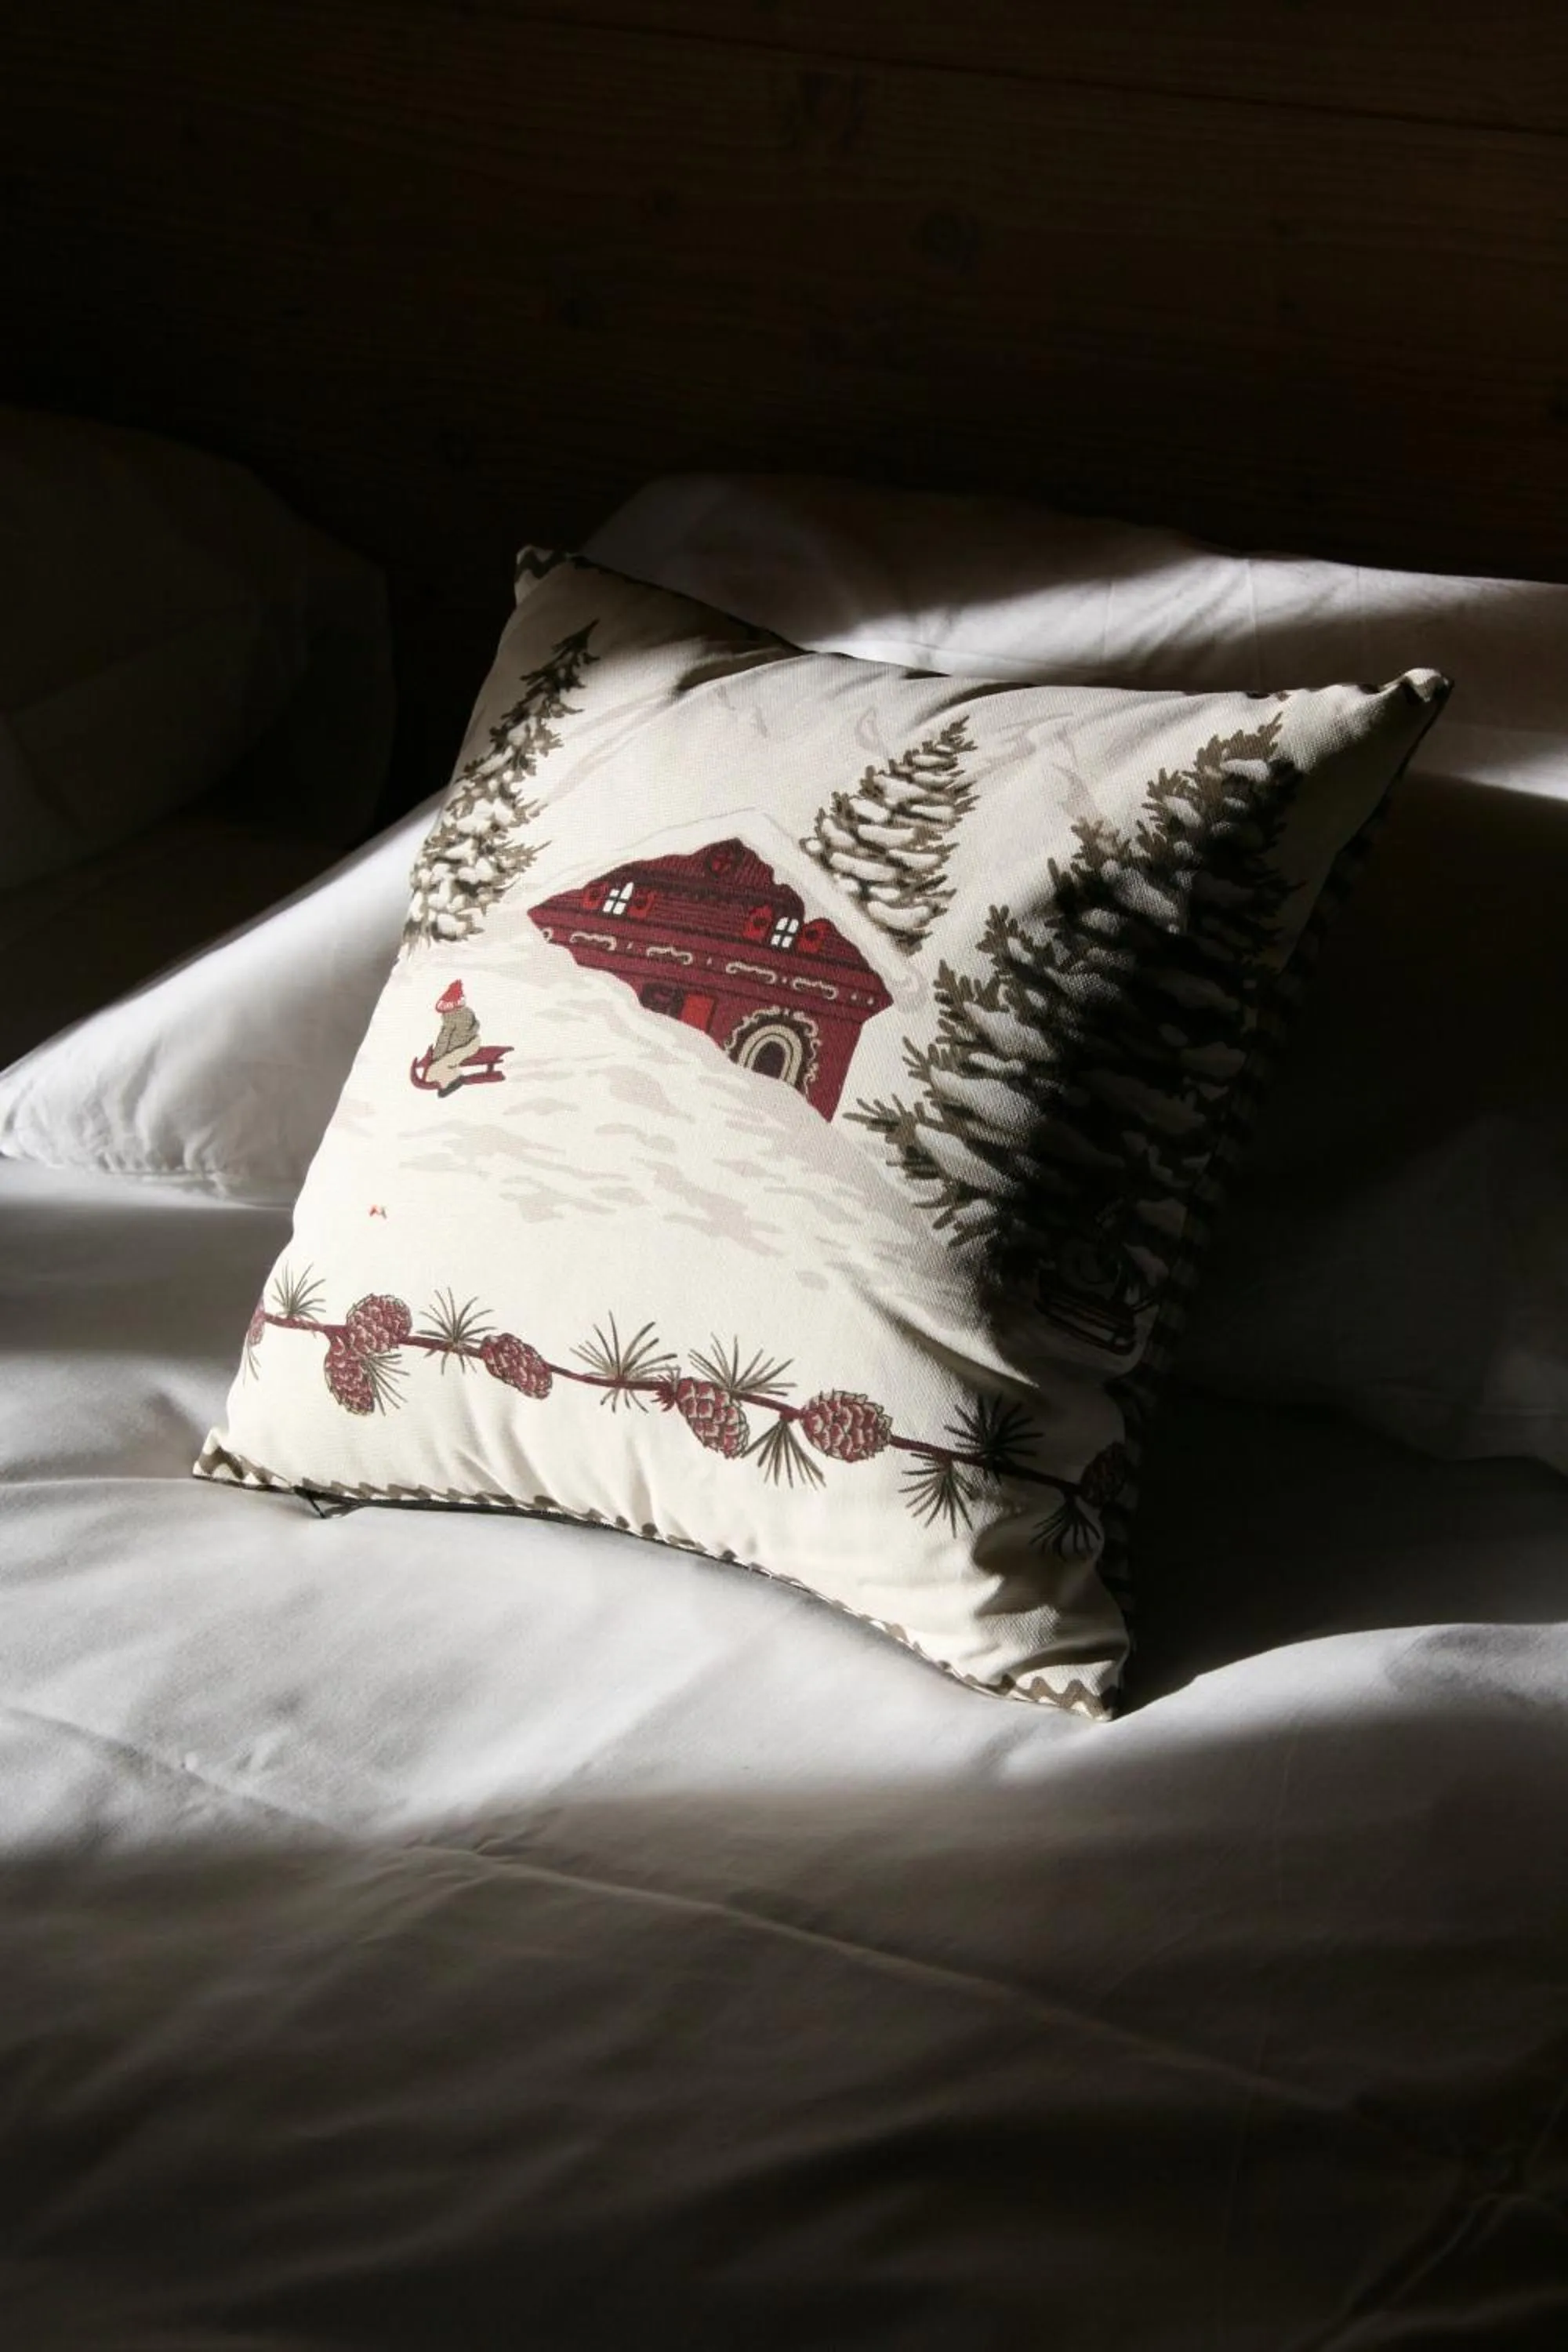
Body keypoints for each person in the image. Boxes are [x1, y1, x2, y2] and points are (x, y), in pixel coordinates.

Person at [426, 979, 480, 1097]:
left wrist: (438, 1056)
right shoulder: (466, 1012)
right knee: (445, 1063)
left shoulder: (451, 1017)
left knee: (432, 1071)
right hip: (471, 1043)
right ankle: (450, 1079)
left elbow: (446, 1039)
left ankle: (454, 1080)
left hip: (464, 1047)